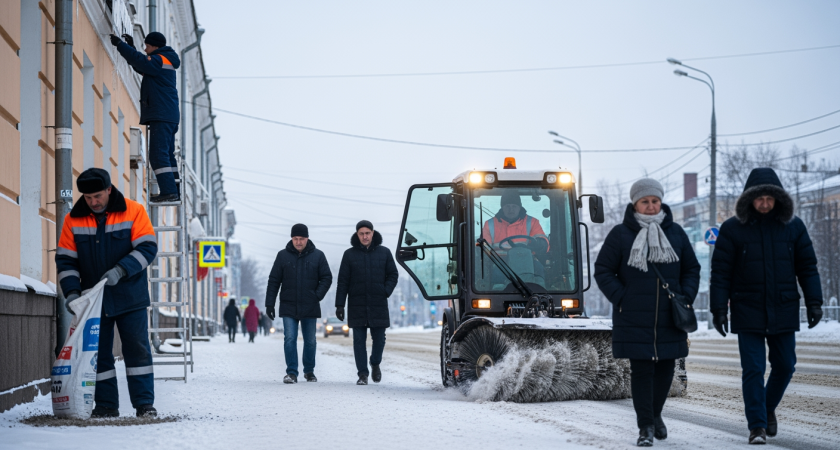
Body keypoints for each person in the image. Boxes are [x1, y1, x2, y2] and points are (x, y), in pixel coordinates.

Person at [710, 168, 823, 445]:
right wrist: (719, 309)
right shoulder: (732, 229)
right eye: (758, 198)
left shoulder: (793, 227)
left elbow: (807, 267)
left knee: (785, 366)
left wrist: (814, 302)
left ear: (778, 199)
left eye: (769, 198)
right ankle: (757, 426)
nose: (763, 203)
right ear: (749, 199)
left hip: (783, 305)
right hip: (747, 307)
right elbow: (721, 272)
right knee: (753, 369)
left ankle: (767, 406)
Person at [594, 178, 700, 447]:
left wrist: (685, 296)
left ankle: (656, 414)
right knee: (641, 371)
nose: (651, 206)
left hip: (669, 315)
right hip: (634, 315)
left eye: (655, 201)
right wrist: (622, 297)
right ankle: (646, 427)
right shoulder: (620, 234)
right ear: (635, 204)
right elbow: (603, 270)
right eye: (645, 201)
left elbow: (692, 269)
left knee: (665, 369)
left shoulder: (676, 232)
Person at [55, 168, 159, 418]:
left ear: (109, 190)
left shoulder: (134, 211)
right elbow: (66, 261)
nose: (94, 202)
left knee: (137, 349)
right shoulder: (73, 219)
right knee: (98, 354)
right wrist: (71, 292)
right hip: (94, 300)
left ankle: (144, 404)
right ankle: (106, 404)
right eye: (89, 198)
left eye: (98, 196)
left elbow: (148, 248)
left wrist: (121, 270)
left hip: (130, 296)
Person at [110, 31, 181, 203]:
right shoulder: (163, 60)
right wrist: (131, 49)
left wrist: (121, 45)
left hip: (161, 114)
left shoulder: (159, 59)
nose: (145, 49)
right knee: (167, 155)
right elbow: (142, 66)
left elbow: (142, 62)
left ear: (155, 46)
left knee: (158, 155)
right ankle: (174, 190)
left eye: (147, 46)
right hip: (168, 115)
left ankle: (169, 192)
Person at [265, 224, 332, 383]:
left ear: (307, 238)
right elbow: (274, 281)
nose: (298, 242)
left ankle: (309, 371)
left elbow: (327, 278)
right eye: (295, 238)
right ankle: (292, 372)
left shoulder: (318, 256)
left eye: (301, 239)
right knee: (290, 338)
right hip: (289, 305)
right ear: (291, 238)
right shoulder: (282, 256)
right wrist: (270, 303)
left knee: (310, 340)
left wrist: (317, 296)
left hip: (310, 305)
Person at [335, 220, 399, 385]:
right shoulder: (349, 255)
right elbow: (343, 281)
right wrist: (339, 305)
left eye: (367, 233)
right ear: (357, 235)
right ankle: (362, 374)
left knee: (380, 339)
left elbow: (393, 274)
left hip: (378, 303)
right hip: (357, 304)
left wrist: (385, 290)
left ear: (372, 233)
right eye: (361, 233)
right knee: (358, 341)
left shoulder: (384, 252)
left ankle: (375, 362)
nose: (365, 236)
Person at [481, 190, 549, 254]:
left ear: (519, 207)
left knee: (539, 266)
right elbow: (484, 248)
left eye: (514, 206)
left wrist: (541, 243)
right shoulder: (490, 224)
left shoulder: (532, 222)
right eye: (507, 206)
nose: (511, 210)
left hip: (526, 262)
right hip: (498, 264)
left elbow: (543, 240)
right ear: (502, 208)